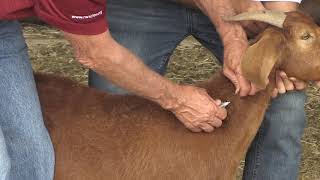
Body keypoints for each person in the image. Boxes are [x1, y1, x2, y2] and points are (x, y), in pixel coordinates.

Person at [88, 0, 319, 179]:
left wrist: (289, 43)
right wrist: (232, 33)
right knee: (113, 101)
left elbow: (284, 13)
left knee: (286, 107)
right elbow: (95, 52)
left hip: (242, 8)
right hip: (143, 6)